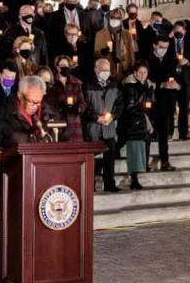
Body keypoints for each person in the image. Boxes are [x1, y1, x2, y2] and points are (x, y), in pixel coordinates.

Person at [0, 76, 57, 219]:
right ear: (20, 96)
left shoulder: (48, 114)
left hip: (41, 180)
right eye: (32, 102)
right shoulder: (2, 114)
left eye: (39, 101)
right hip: (12, 178)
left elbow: (61, 135)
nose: (36, 106)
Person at [83, 58, 123, 192]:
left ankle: (109, 183)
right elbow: (85, 106)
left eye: (107, 70)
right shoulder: (87, 85)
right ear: (96, 70)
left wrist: (113, 116)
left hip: (109, 129)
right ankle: (91, 184)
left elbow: (119, 104)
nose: (105, 72)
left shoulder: (114, 85)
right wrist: (96, 117)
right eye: (102, 70)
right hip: (93, 129)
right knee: (93, 158)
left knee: (109, 157)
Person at [147, 35, 179, 172]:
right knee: (148, 132)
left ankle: (165, 161)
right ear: (154, 45)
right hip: (151, 100)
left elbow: (177, 77)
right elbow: (147, 80)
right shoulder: (147, 59)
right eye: (161, 47)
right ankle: (144, 161)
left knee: (164, 133)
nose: (163, 50)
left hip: (166, 101)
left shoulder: (170, 59)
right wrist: (162, 84)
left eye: (166, 48)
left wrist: (177, 85)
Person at [121, 61, 154, 190]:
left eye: (145, 72)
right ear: (135, 73)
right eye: (140, 72)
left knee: (142, 147)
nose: (142, 75)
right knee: (135, 149)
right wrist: (143, 110)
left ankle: (141, 170)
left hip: (142, 122)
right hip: (133, 123)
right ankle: (134, 179)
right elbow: (129, 107)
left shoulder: (147, 86)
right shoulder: (130, 87)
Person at [51, 55, 86, 142]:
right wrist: (60, 107)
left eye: (67, 65)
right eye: (62, 65)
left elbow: (83, 103)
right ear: (57, 67)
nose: (64, 67)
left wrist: (78, 108)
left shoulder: (76, 83)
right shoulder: (52, 83)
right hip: (58, 123)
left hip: (74, 124)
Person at [94, 8, 134, 81]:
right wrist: (102, 52)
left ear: (121, 20)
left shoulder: (127, 34)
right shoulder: (100, 34)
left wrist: (130, 69)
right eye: (112, 17)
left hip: (123, 69)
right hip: (107, 70)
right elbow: (96, 54)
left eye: (118, 18)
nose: (115, 20)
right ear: (109, 18)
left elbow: (131, 53)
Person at [172, 21, 190, 141]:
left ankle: (184, 132)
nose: (178, 33)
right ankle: (169, 132)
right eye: (176, 31)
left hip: (186, 79)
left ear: (184, 32)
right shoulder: (170, 43)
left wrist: (188, 62)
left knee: (184, 108)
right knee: (169, 106)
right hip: (172, 79)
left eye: (180, 31)